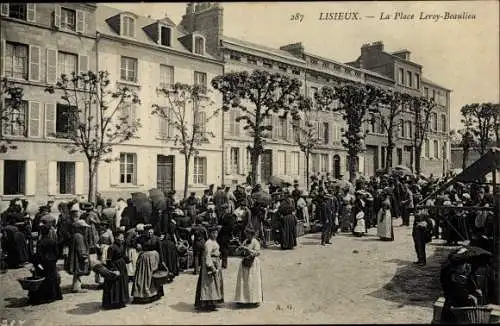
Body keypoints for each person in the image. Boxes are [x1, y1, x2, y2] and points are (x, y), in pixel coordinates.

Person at [28, 220, 63, 305]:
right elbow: (57, 253)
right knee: (53, 278)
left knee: (44, 279)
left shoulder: (40, 242)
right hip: (52, 262)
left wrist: (38, 264)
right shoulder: (53, 241)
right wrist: (54, 260)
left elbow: (39, 255)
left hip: (43, 263)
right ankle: (55, 295)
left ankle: (46, 297)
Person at [132, 225, 165, 304]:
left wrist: (161, 261)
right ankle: (140, 295)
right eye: (148, 232)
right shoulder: (141, 238)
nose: (149, 233)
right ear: (145, 232)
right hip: (143, 259)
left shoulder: (156, 238)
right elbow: (131, 242)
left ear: (153, 231)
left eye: (151, 232)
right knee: (141, 276)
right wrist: (136, 244)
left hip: (153, 259)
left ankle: (154, 294)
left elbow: (160, 250)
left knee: (153, 276)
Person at [194, 226, 224, 311]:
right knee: (209, 284)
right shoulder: (208, 243)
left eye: (216, 233)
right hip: (210, 264)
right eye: (213, 233)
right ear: (210, 233)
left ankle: (212, 302)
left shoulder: (214, 241)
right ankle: (207, 304)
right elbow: (207, 256)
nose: (215, 234)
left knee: (214, 284)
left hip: (216, 262)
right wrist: (211, 267)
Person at [234, 227, 263, 306]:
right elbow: (238, 251)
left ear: (252, 234)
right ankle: (243, 299)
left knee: (252, 280)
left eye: (248, 234)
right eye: (246, 234)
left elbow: (257, 253)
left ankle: (253, 299)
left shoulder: (255, 242)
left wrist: (246, 249)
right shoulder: (245, 241)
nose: (247, 236)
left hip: (253, 263)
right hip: (245, 261)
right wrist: (239, 248)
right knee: (243, 281)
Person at [102, 230, 130, 310]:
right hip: (115, 267)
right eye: (121, 237)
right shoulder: (111, 247)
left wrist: (127, 260)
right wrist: (113, 269)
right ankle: (113, 302)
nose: (122, 239)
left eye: (123, 238)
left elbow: (123, 255)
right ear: (116, 237)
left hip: (122, 266)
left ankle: (121, 301)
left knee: (122, 283)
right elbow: (109, 260)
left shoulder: (122, 245)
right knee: (115, 285)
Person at [66, 219, 91, 293]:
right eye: (84, 228)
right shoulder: (79, 236)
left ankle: (76, 286)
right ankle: (76, 287)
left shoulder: (75, 235)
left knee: (76, 272)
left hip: (75, 256)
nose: (85, 229)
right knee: (79, 271)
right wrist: (84, 257)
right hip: (78, 258)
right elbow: (81, 248)